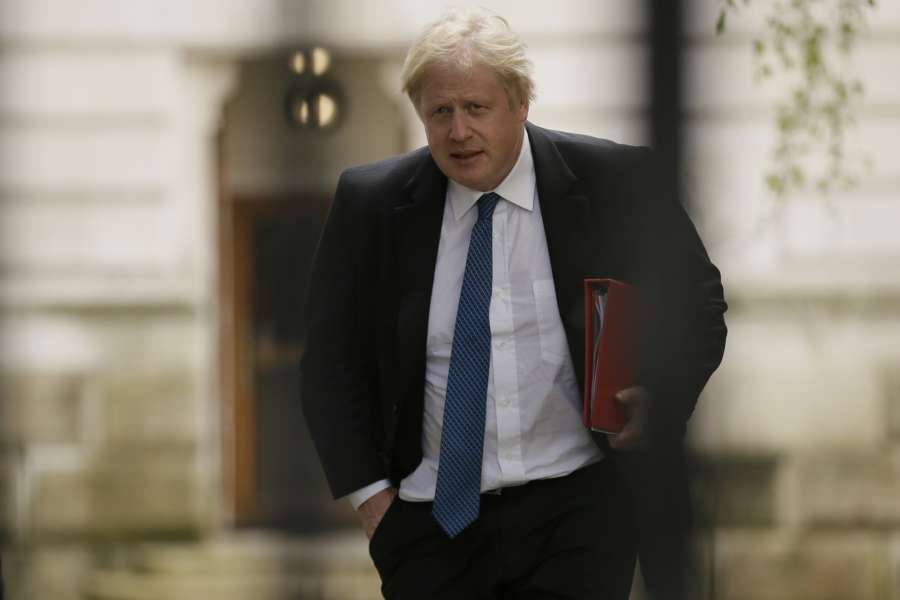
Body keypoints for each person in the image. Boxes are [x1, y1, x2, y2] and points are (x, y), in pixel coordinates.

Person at [301, 8, 727, 600]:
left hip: (579, 510)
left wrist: (663, 397)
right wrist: (373, 503)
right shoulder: (369, 205)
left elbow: (699, 303)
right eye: (439, 112)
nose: (457, 132)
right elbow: (329, 362)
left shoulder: (615, 181)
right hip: (430, 528)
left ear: (521, 103)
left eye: (477, 108)